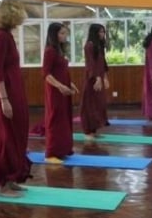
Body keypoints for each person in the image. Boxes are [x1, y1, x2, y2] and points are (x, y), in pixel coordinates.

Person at [0, 0, 32, 197]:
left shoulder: (8, 36)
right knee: (5, 137)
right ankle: (2, 184)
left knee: (16, 134)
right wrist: (4, 99)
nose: (22, 17)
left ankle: (11, 179)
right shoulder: (0, 37)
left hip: (14, 90)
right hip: (5, 92)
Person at [42, 22, 78, 163]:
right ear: (54, 34)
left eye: (65, 33)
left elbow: (62, 71)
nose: (64, 36)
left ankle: (62, 149)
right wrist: (59, 86)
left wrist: (70, 84)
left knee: (64, 118)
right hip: (55, 91)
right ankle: (51, 152)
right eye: (61, 33)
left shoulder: (59, 51)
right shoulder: (50, 51)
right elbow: (46, 74)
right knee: (55, 118)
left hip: (63, 89)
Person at [80, 23, 110, 139]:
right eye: (101, 32)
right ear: (95, 33)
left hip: (99, 78)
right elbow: (90, 64)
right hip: (92, 80)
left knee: (99, 104)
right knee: (89, 105)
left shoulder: (99, 46)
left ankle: (94, 128)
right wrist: (97, 78)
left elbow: (103, 63)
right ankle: (88, 130)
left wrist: (105, 78)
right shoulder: (89, 46)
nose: (103, 34)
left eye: (103, 32)